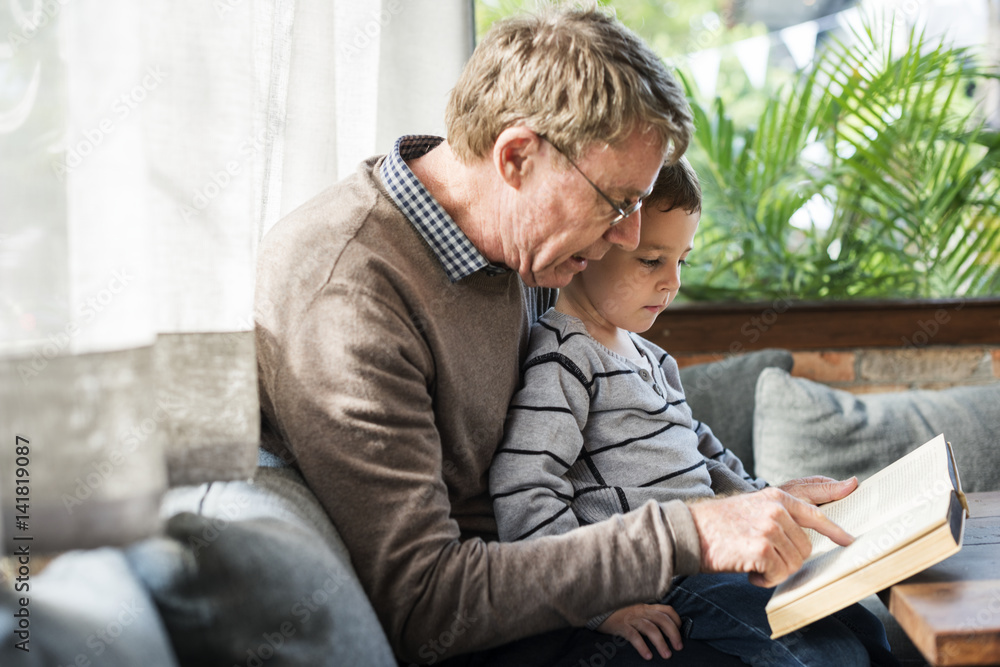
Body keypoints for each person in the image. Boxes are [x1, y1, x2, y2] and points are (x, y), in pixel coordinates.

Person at [254, 6, 861, 665]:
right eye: (617, 202)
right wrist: (685, 532)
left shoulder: (528, 244)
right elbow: (425, 603)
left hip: (575, 583)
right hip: (508, 629)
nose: (627, 240)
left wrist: (750, 499)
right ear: (516, 156)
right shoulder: (349, 288)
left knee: (847, 625)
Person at [490, 158, 897, 666]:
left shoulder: (651, 356)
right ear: (591, 244)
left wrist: (762, 500)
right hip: (663, 577)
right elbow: (523, 488)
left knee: (861, 622)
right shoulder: (565, 357)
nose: (672, 282)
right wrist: (601, 607)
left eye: (682, 261)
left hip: (714, 557)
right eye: (651, 260)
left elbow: (701, 446)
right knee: (826, 656)